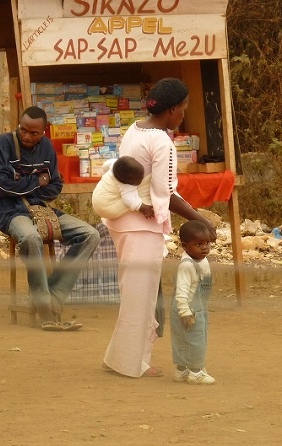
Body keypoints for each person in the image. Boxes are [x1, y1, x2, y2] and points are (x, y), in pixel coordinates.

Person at [101, 77, 217, 378]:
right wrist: (201, 219)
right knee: (140, 297)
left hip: (123, 220)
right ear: (172, 110)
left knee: (135, 294)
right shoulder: (161, 141)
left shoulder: (135, 128)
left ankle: (121, 357)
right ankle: (129, 363)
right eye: (183, 109)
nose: (183, 115)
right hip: (141, 224)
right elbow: (165, 193)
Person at [0, 106, 100, 331]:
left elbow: (55, 186)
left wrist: (26, 185)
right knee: (31, 237)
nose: (27, 136)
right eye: (23, 130)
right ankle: (45, 308)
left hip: (42, 209)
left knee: (90, 235)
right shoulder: (1, 144)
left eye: (34, 133)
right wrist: (37, 182)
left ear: (44, 132)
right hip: (10, 212)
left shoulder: (47, 147)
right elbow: (3, 188)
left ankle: (53, 296)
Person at [170, 220, 215, 385]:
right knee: (194, 341)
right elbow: (181, 292)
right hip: (188, 309)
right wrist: (185, 312)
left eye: (207, 243)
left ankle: (182, 372)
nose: (205, 247)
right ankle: (195, 372)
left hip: (199, 308)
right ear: (185, 245)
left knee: (186, 339)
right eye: (199, 244)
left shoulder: (202, 261)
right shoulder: (186, 266)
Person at [92, 155, 154, 220]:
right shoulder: (125, 185)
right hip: (104, 208)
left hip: (96, 195)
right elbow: (129, 200)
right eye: (137, 180)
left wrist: (105, 175)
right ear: (126, 181)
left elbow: (105, 165)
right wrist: (143, 208)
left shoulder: (113, 163)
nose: (141, 180)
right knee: (136, 198)